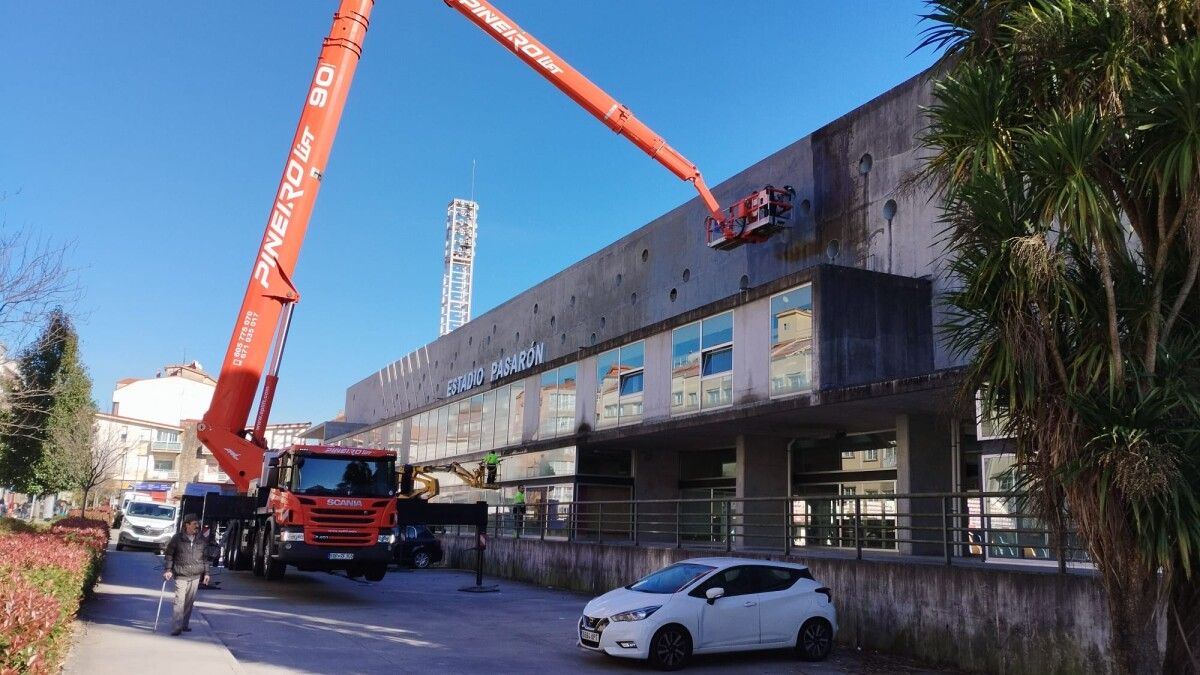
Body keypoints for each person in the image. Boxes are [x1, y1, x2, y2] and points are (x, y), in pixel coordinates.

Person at [163, 514, 210, 636]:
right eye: (194, 524)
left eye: (197, 524)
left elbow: (205, 558)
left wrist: (206, 573)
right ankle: (176, 627)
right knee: (179, 601)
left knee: (189, 602)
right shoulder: (177, 539)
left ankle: (184, 624)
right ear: (187, 525)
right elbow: (169, 555)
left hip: (195, 575)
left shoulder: (201, 540)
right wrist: (168, 570)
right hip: (181, 574)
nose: (197, 526)